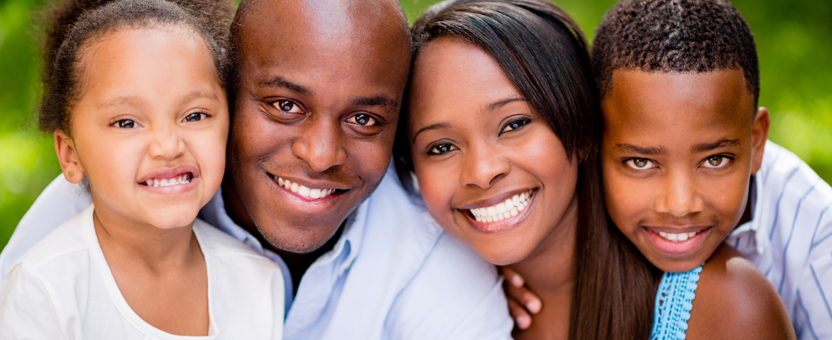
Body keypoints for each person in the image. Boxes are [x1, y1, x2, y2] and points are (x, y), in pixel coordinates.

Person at [0, 0, 513, 338]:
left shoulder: (431, 258)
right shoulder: (98, 211)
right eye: (284, 106)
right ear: (224, 94)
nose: (320, 154)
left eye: (364, 119)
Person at [506, 0, 831, 338]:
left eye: (715, 160)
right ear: (596, 142)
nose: (679, 205)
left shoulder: (818, 238)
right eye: (641, 162)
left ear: (756, 142)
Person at [0, 0, 284, 338]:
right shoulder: (44, 289)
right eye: (126, 122)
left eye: (195, 115)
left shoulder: (257, 280)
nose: (168, 146)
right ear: (71, 157)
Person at [395, 0, 663, 338]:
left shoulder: (706, 304)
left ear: (579, 122)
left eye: (514, 124)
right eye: (442, 147)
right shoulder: (443, 312)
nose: (481, 172)